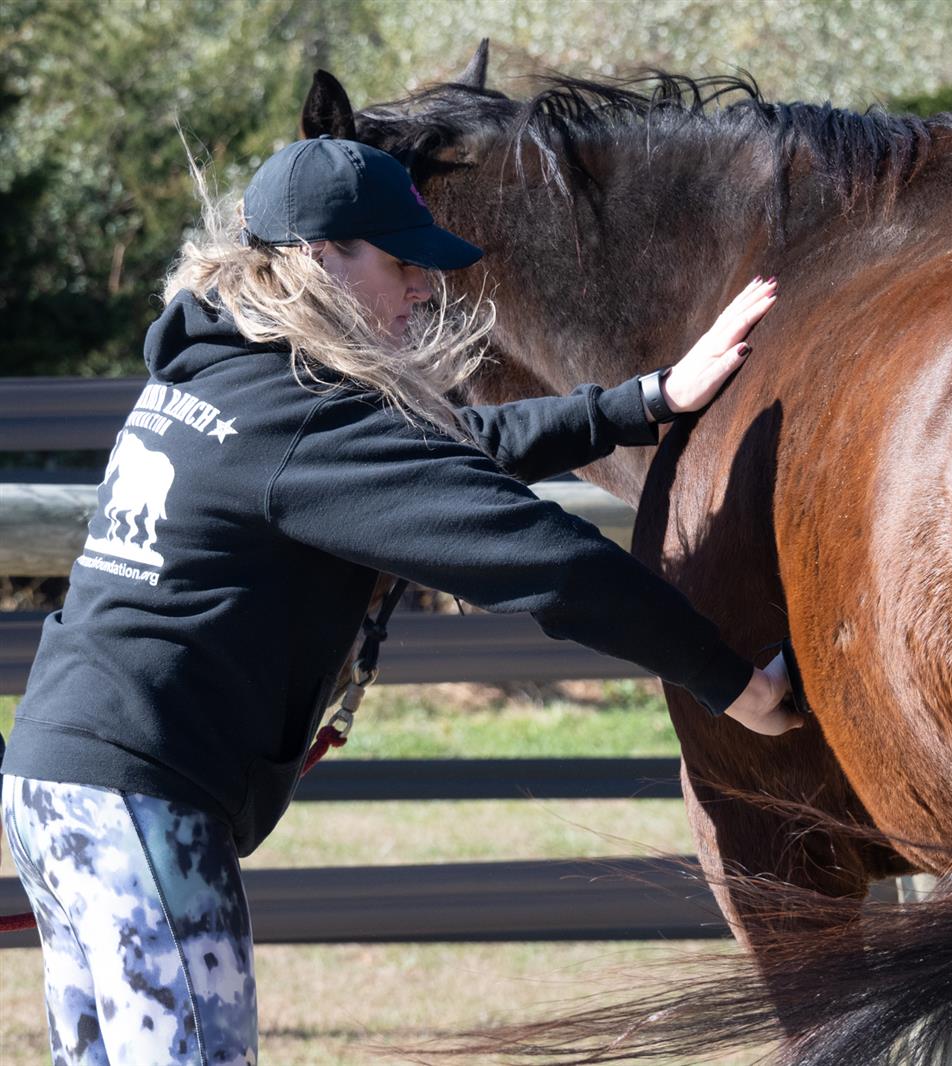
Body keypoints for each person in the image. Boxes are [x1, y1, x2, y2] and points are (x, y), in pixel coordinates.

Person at [0, 135, 800, 1065]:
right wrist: (731, 682)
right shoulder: (300, 419)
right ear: (318, 256)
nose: (424, 287)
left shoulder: (218, 368)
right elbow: (548, 559)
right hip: (139, 801)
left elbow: (444, 448)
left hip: (55, 781)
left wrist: (646, 400)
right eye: (399, 262)